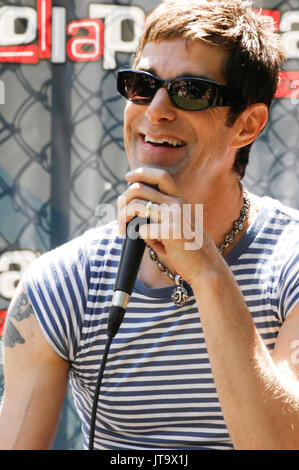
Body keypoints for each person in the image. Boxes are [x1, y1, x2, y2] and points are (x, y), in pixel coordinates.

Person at [1, 0, 299, 450]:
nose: (156, 110)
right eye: (142, 86)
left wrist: (208, 274)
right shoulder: (63, 282)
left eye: (191, 91)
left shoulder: (290, 260)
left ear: (247, 124)